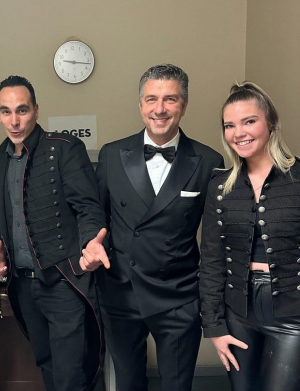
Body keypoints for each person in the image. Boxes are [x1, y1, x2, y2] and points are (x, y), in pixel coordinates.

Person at [91, 64, 224, 391]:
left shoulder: (208, 161)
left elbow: (214, 243)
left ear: (184, 105)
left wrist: (210, 305)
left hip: (178, 295)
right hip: (121, 292)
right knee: (128, 384)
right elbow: (95, 216)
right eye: (151, 99)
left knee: (177, 385)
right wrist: (90, 242)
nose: (159, 109)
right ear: (140, 105)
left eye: (170, 99)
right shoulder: (111, 154)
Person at [0, 75, 108, 391]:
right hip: (23, 285)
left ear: (36, 110)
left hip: (63, 280)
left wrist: (91, 241)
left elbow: (88, 207)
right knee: (46, 363)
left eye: (22, 110)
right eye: (6, 111)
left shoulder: (64, 148)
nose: (14, 121)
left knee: (70, 372)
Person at [200, 81, 300, 391]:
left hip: (292, 313)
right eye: (229, 125)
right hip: (238, 312)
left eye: (249, 121)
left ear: (271, 123)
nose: (238, 133)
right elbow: (212, 260)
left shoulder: (298, 179)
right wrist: (214, 326)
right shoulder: (220, 187)